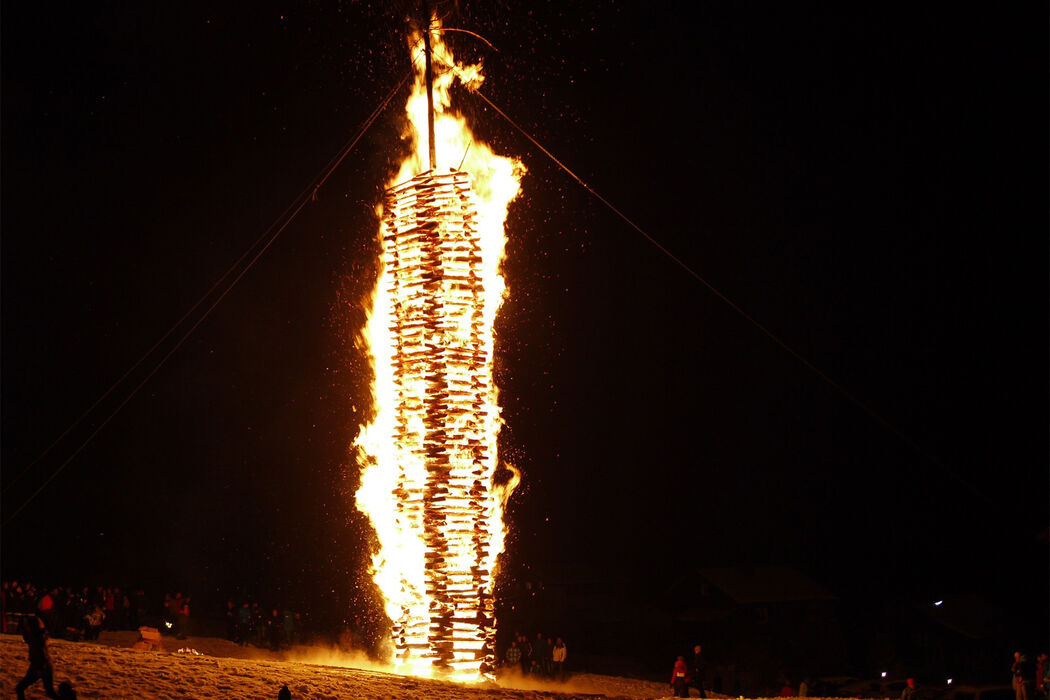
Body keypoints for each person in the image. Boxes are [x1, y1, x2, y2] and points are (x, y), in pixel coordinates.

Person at [16, 614, 59, 700]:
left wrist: (39, 669)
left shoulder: (37, 639)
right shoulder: (38, 635)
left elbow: (42, 654)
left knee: (20, 688)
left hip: (39, 666)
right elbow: (27, 640)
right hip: (46, 666)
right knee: (50, 692)